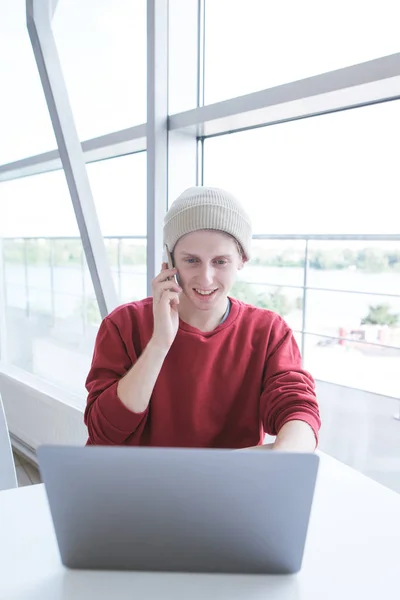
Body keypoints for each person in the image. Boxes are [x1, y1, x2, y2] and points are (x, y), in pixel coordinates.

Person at [84, 186, 320, 451]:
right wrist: (159, 343)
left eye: (220, 261)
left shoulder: (268, 331)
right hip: (139, 484)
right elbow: (104, 432)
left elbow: (297, 408)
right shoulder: (122, 325)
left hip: (227, 484)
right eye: (191, 260)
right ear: (170, 260)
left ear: (241, 259)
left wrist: (284, 459)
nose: (206, 278)